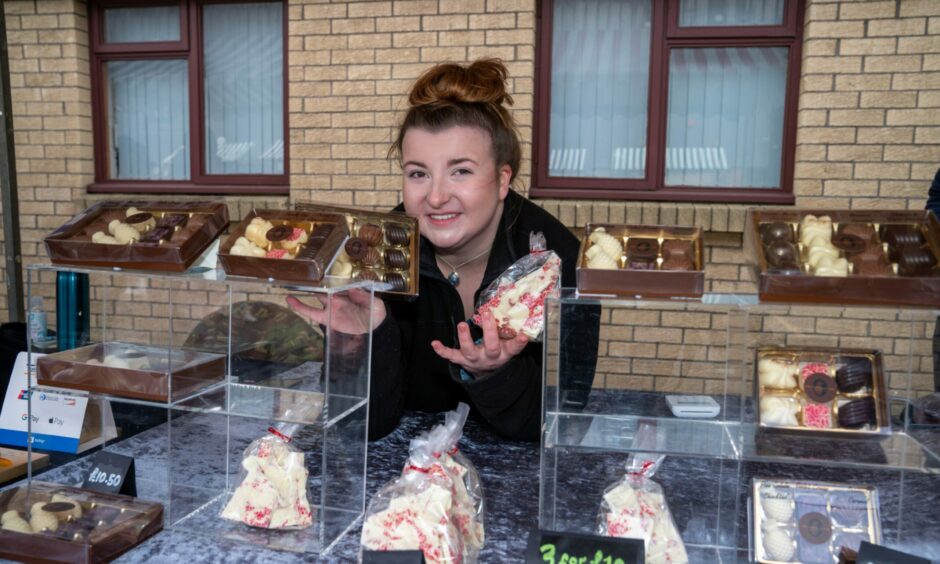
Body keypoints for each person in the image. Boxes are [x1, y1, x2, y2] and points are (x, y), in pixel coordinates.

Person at [288, 58, 597, 441]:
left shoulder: (560, 261)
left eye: (461, 171)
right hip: (402, 482)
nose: (435, 197)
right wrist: (362, 343)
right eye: (418, 173)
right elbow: (361, 427)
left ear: (503, 179)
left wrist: (495, 372)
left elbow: (559, 426)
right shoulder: (376, 255)